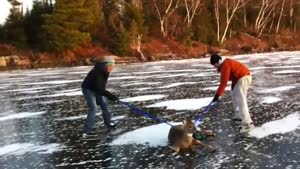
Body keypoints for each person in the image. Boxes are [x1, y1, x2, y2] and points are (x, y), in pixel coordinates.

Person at [210, 54, 254, 133]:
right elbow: (234, 76)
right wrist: (233, 88)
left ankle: (247, 123)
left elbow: (223, 83)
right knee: (234, 95)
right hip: (239, 79)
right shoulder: (225, 64)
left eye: (214, 64)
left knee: (241, 100)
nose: (214, 66)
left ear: (218, 62)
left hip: (244, 78)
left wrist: (217, 95)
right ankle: (238, 116)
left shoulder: (225, 65)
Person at [81, 56, 119, 138]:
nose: (112, 67)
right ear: (105, 64)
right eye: (110, 64)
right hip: (88, 90)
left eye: (113, 65)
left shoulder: (105, 71)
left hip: (96, 89)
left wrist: (109, 95)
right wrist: (110, 95)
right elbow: (99, 88)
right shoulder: (98, 72)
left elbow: (101, 87)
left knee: (104, 105)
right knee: (93, 108)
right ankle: (86, 132)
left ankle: (108, 123)